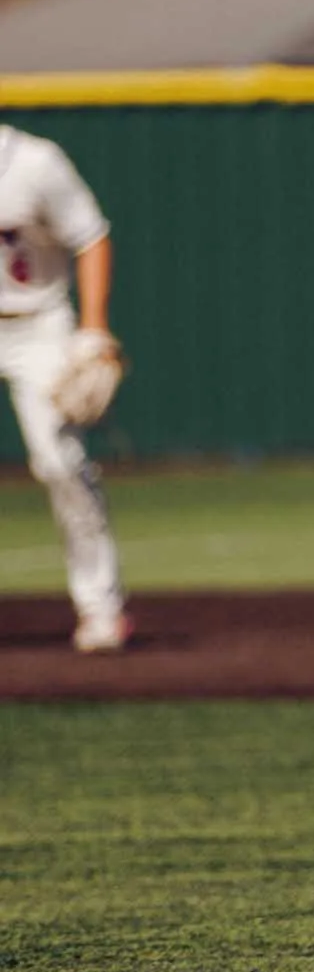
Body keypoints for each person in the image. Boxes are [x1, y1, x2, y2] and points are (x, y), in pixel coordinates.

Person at [0, 125, 130, 653]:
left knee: (61, 464)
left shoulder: (32, 162)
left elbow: (91, 236)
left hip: (36, 323)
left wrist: (93, 329)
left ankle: (101, 608)